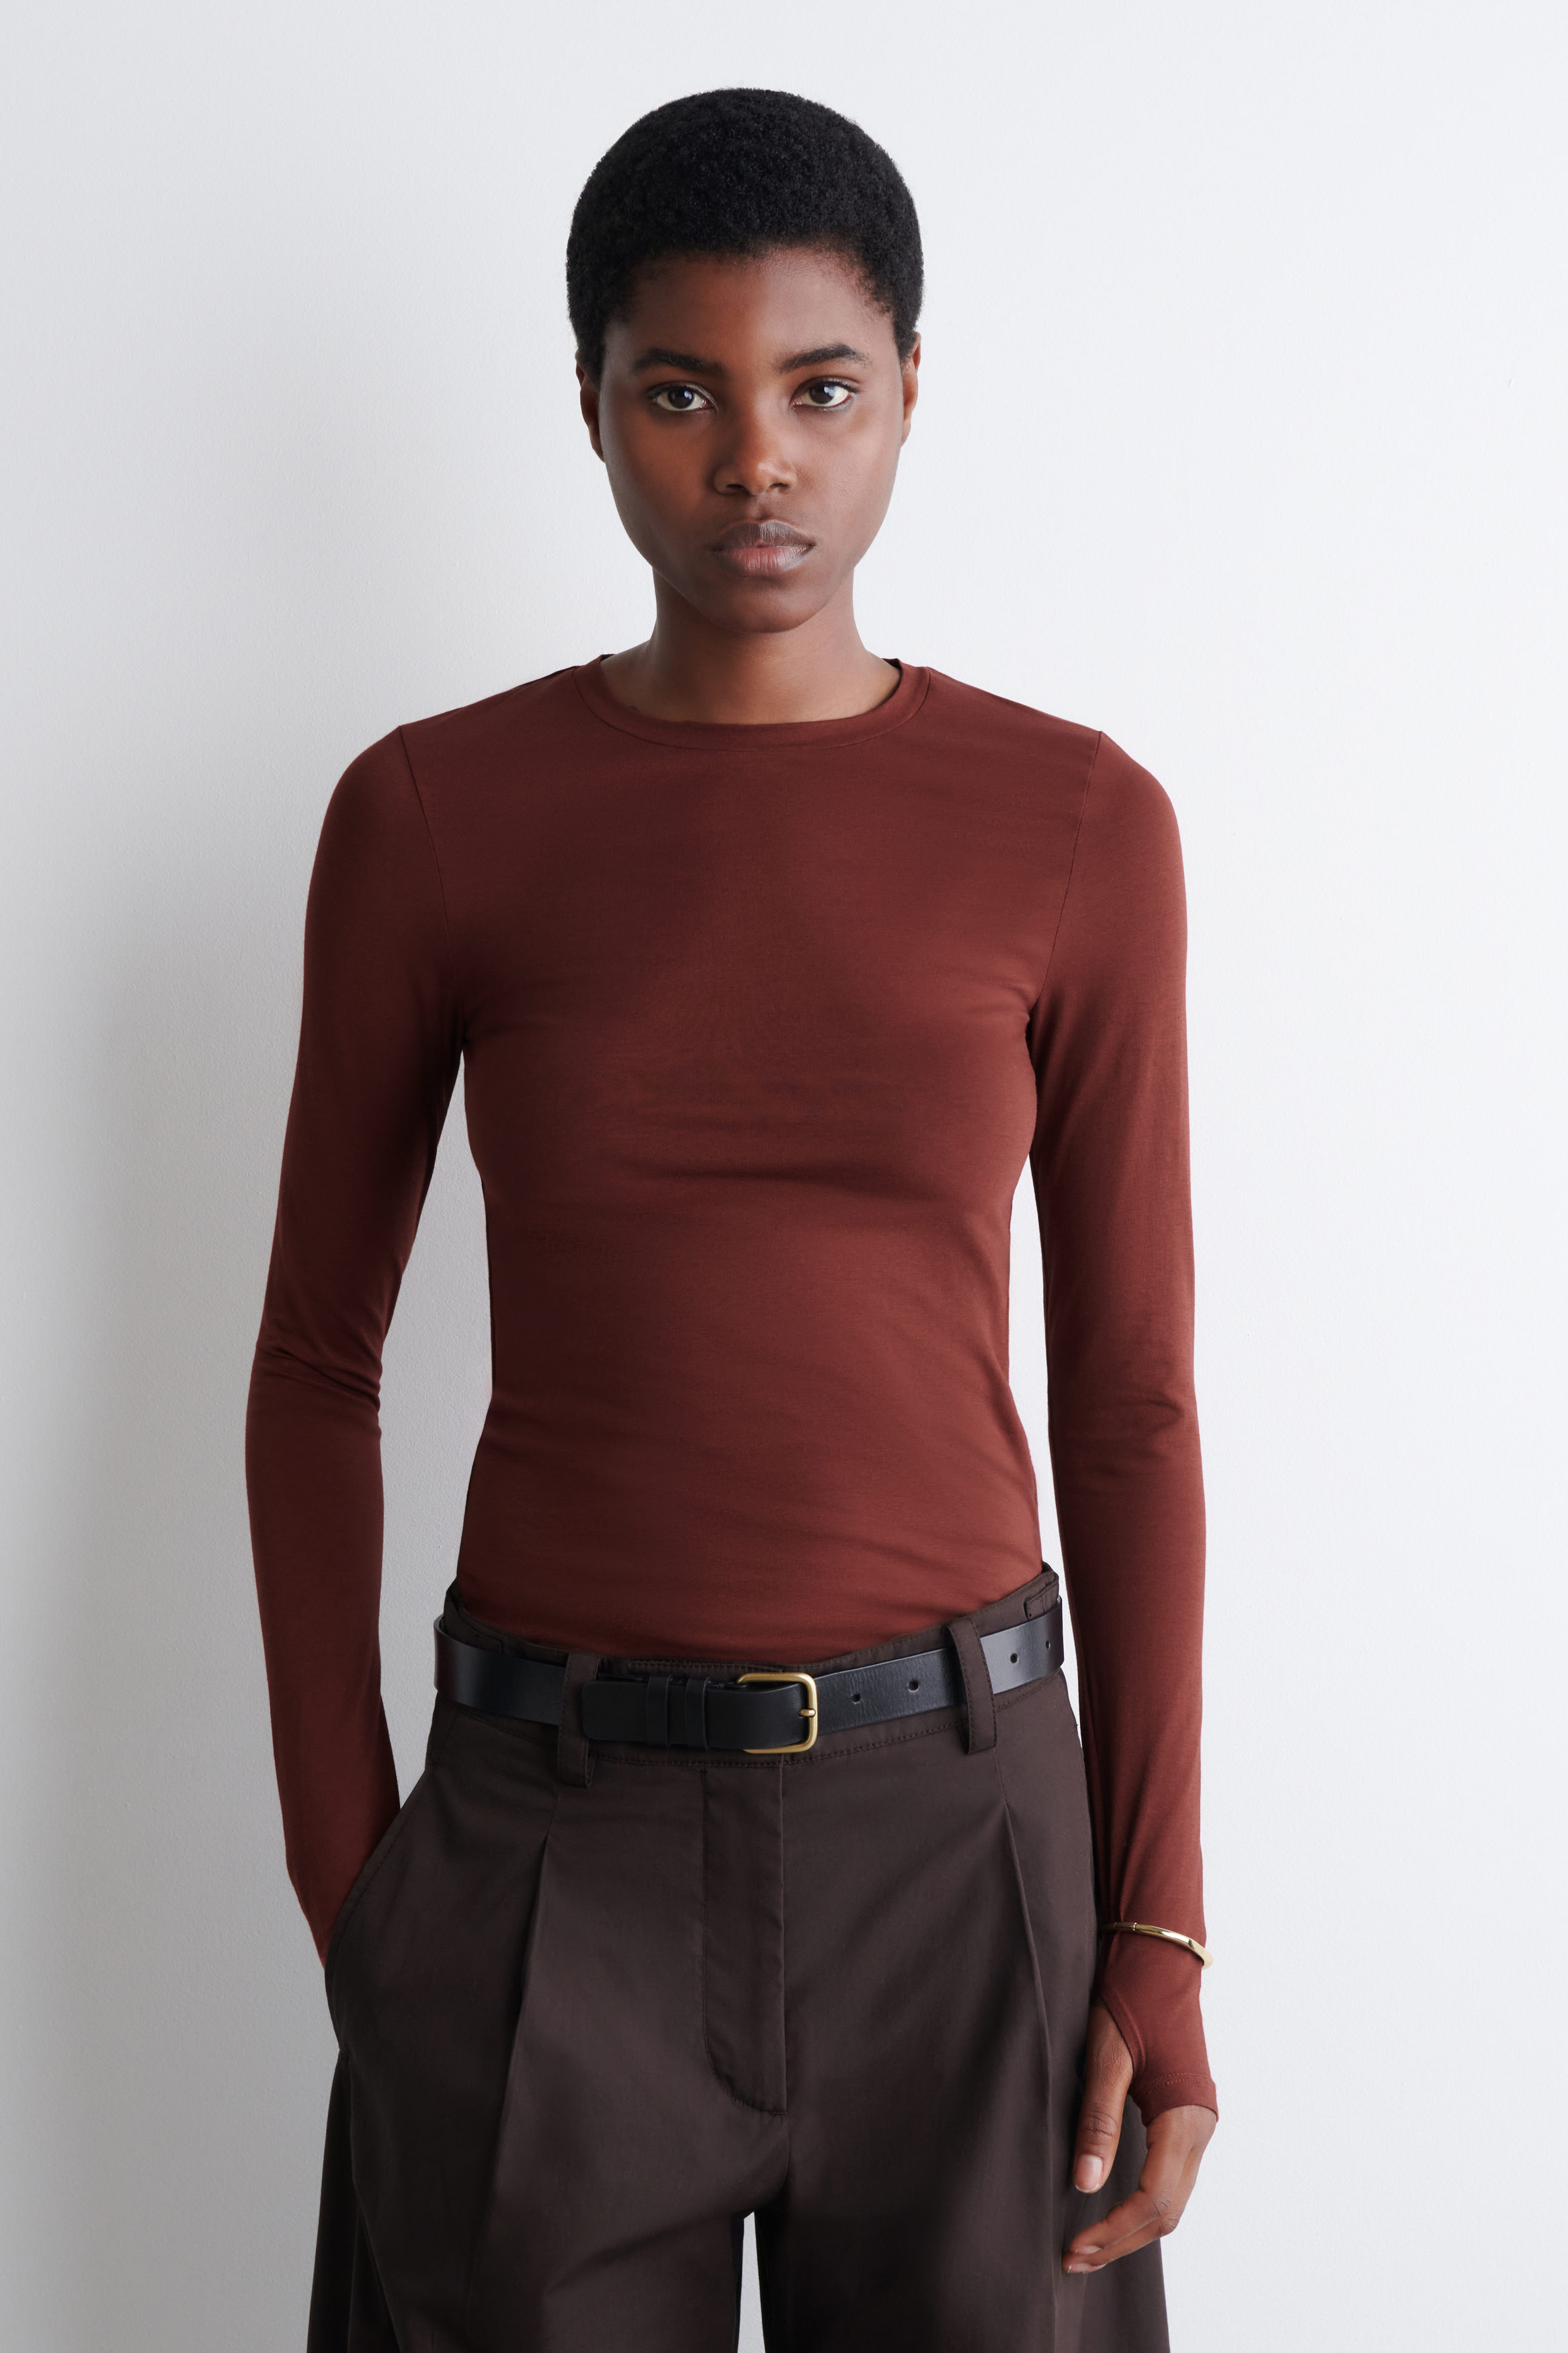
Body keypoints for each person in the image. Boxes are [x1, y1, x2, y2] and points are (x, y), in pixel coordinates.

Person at [247, 86, 1216, 2353]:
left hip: (964, 1848)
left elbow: (1135, 1401)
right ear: (592, 403)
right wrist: (352, 1879)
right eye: (681, 392)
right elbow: (313, 1365)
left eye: (821, 388)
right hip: (544, 1847)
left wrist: (1156, 1926)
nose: (757, 459)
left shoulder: (1078, 823)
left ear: (910, 394)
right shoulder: (434, 815)